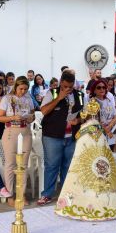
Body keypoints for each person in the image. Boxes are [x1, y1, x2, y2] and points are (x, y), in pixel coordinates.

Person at [37, 71, 84, 205]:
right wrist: (59, 98)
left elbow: (85, 115)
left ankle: (66, 194)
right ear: (60, 82)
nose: (67, 89)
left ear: (74, 84)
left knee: (68, 166)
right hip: (52, 136)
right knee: (51, 165)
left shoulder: (80, 95)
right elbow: (44, 111)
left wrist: (79, 120)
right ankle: (47, 194)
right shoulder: (51, 93)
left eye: (70, 87)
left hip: (72, 137)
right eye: (64, 86)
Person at [0, 76, 34, 204]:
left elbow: (33, 115)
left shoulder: (28, 99)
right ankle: (10, 195)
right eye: (20, 89)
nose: (23, 91)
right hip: (11, 131)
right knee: (10, 164)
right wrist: (13, 117)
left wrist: (30, 118)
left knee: (23, 165)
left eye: (25, 89)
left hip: (25, 132)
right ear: (15, 87)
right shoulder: (6, 99)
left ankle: (22, 194)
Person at [91, 79, 116, 150]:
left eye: (103, 87)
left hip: (111, 132)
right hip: (98, 134)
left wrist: (110, 125)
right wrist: (105, 129)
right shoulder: (92, 103)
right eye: (99, 87)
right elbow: (92, 121)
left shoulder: (109, 101)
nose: (102, 89)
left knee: (110, 156)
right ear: (94, 90)